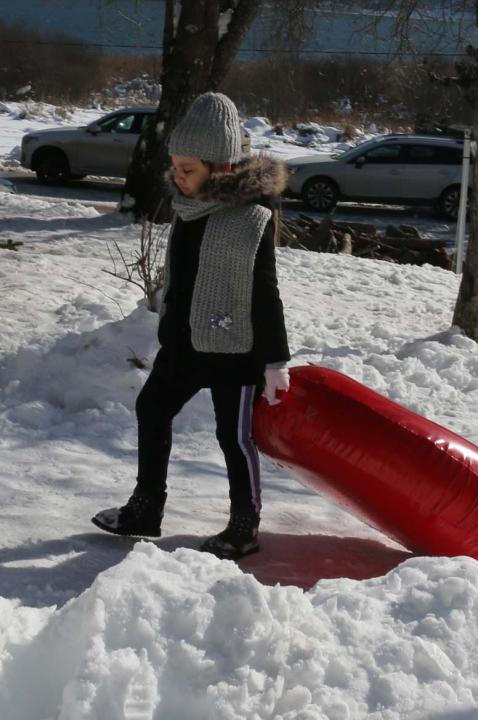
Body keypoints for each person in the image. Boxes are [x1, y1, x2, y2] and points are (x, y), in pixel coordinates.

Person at [93, 92, 291, 561]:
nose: (177, 178)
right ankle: (146, 508)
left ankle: (244, 526)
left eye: (188, 170)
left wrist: (274, 360)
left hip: (237, 350)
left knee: (234, 437)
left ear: (221, 167)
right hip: (184, 344)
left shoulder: (253, 219)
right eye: (175, 167)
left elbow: (266, 293)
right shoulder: (188, 212)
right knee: (152, 408)